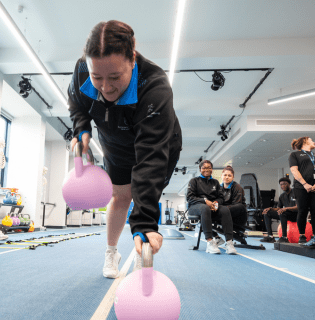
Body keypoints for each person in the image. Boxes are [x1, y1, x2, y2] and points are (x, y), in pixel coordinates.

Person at [68, 20, 182, 278]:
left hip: (158, 144)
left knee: (144, 192)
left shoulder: (155, 86)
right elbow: (76, 103)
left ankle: (143, 254)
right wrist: (81, 127)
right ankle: (111, 253)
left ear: (132, 59)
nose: (106, 87)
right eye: (97, 77)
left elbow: (150, 157)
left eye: (115, 77)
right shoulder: (82, 70)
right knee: (120, 196)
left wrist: (144, 222)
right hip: (115, 142)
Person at [186, 161, 236, 254]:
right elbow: (190, 198)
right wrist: (205, 201)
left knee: (225, 209)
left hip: (212, 207)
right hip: (195, 207)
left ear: (212, 169)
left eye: (209, 167)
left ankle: (229, 242)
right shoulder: (194, 181)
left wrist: (216, 203)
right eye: (204, 168)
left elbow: (221, 198)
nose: (206, 169)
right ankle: (210, 242)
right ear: (200, 169)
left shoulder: (215, 182)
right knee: (204, 208)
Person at [289, 137, 315, 243]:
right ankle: (302, 235)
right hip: (301, 187)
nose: (314, 142)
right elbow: (294, 170)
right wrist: (304, 184)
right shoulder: (294, 154)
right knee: (302, 211)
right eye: (311, 140)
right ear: (305, 142)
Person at [260, 177, 298, 243]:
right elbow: (279, 208)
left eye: (284, 184)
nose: (282, 186)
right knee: (267, 213)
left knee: (282, 213)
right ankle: (270, 236)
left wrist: (285, 208)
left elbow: (298, 207)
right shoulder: (282, 196)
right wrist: (270, 208)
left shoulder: (296, 193)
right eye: (281, 184)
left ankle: (284, 237)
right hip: (285, 214)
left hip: (295, 215)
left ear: (289, 184)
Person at [219, 166, 247, 246]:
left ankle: (229, 241)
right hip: (224, 213)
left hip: (238, 216)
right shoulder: (219, 188)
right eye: (225, 175)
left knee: (239, 206)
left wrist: (221, 209)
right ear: (221, 176)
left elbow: (237, 205)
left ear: (233, 177)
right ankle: (216, 237)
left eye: (229, 175)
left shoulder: (237, 187)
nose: (227, 177)